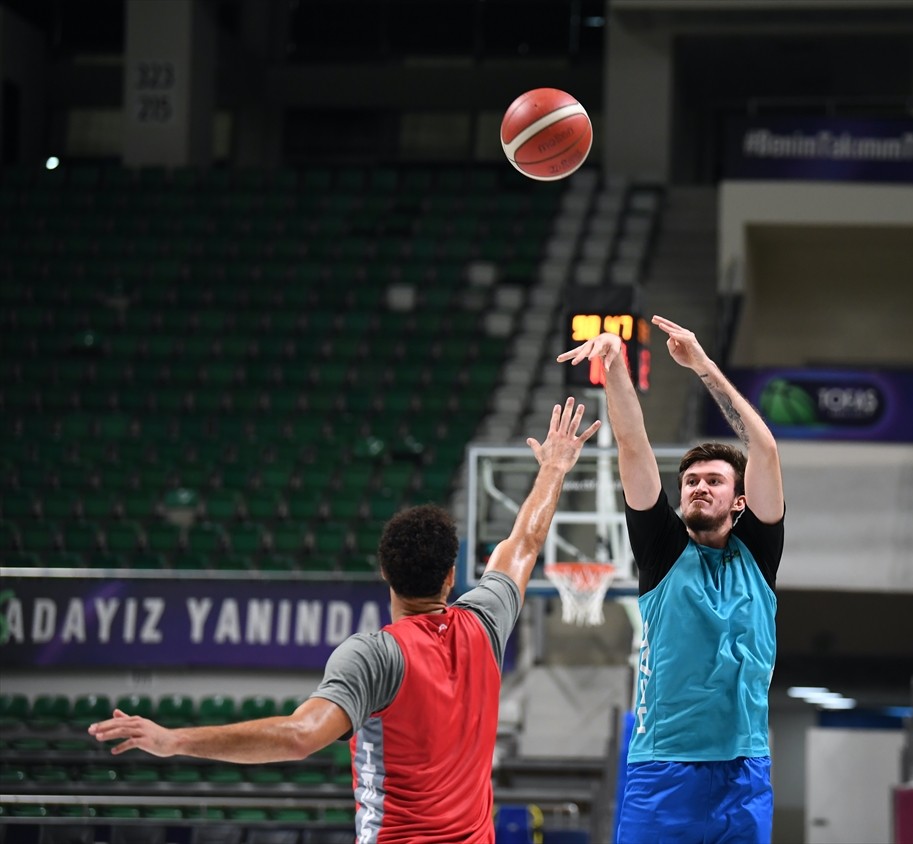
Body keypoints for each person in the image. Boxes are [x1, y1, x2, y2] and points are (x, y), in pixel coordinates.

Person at [89, 398, 602, 844]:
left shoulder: (374, 655)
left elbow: (297, 736)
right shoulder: (488, 621)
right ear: (451, 576)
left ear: (384, 572)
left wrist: (175, 739)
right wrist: (555, 466)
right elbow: (525, 542)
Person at [558, 315, 785, 844]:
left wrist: (703, 367)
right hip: (663, 770)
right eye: (690, 481)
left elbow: (766, 450)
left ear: (741, 500)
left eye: (714, 480)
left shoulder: (758, 553)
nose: (699, 487)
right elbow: (633, 446)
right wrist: (614, 363)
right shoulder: (661, 550)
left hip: (744, 772)